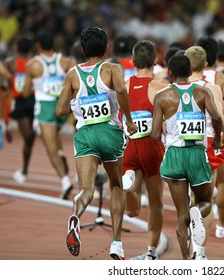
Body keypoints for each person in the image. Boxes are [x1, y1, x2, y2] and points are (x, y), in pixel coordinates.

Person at [55, 26, 137, 259]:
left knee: (86, 190)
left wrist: (77, 105)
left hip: (85, 135)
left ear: (82, 50)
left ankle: (76, 216)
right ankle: (117, 244)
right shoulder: (112, 68)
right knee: (116, 186)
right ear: (107, 47)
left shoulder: (72, 74)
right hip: (110, 132)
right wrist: (129, 121)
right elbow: (121, 89)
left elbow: (60, 109)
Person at [151, 54, 223, 260]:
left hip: (174, 155)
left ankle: (185, 262)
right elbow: (217, 117)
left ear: (170, 73)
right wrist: (217, 138)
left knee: (181, 215)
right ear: (191, 72)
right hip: (196, 155)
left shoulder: (162, 96)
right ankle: (197, 213)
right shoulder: (202, 92)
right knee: (205, 202)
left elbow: (155, 134)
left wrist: (168, 131)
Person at [120, 40, 167, 260]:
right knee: (156, 203)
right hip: (152, 147)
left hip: (130, 146)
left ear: (132, 60)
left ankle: (128, 189)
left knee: (132, 211)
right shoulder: (158, 87)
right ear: (155, 61)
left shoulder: (124, 85)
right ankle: (151, 252)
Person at [184, 46, 224, 240]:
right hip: (207, 147)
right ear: (205, 64)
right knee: (205, 200)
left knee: (189, 197)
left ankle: (188, 239)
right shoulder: (213, 88)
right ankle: (200, 249)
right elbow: (220, 117)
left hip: (184, 147)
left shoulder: (175, 88)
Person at [22, 30, 76, 199]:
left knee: (50, 148)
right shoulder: (66, 61)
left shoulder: (33, 65)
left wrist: (36, 86)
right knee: (55, 141)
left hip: (45, 109)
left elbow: (24, 92)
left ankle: (65, 181)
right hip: (61, 108)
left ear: (38, 46)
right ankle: (60, 153)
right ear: (54, 45)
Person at [197, 36, 224, 237]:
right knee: (221, 183)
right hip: (215, 135)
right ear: (216, 56)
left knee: (196, 187)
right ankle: (220, 225)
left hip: (192, 137)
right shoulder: (221, 79)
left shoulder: (190, 78)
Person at [4, 36, 36, 183]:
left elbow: (3, 82)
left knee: (29, 139)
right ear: (30, 50)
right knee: (29, 137)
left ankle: (24, 170)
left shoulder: (10, 63)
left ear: (17, 48)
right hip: (26, 102)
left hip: (27, 101)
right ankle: (24, 170)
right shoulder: (35, 63)